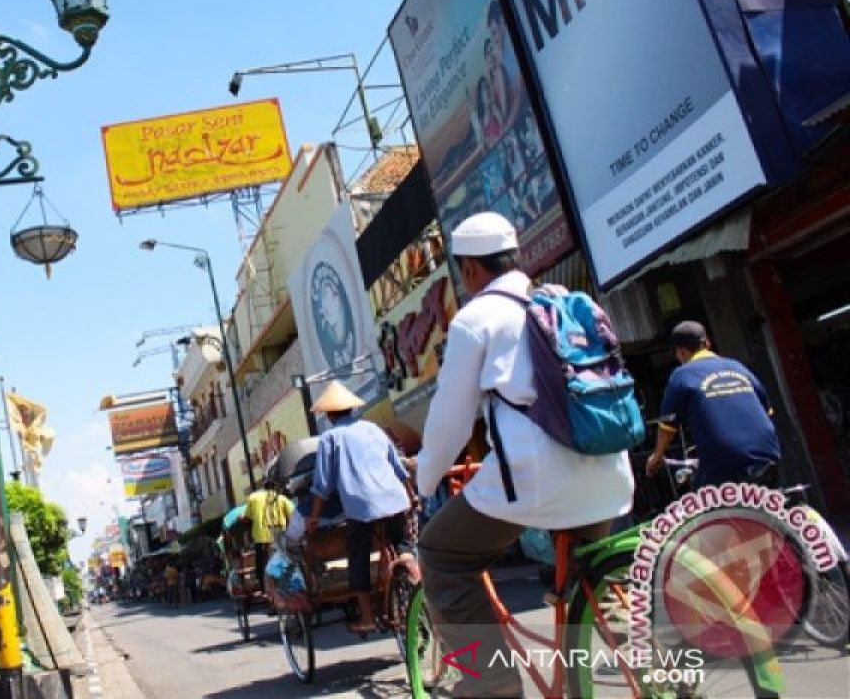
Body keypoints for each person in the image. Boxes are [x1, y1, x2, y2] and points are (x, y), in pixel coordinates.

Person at [416, 211, 634, 698]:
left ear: (469, 269)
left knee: (442, 555)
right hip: (612, 475)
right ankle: (648, 657)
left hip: (536, 482)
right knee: (585, 571)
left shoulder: (476, 320)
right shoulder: (560, 298)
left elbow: (450, 423)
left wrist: (424, 480)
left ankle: (491, 685)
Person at [305, 380, 415, 635]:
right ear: (351, 409)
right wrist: (412, 496)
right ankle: (411, 572)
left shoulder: (330, 438)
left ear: (329, 414)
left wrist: (314, 518)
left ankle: (366, 616)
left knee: (358, 557)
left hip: (361, 507)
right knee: (402, 544)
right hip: (395, 499)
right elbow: (398, 469)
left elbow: (322, 485)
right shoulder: (373, 429)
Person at [646, 320, 781, 487]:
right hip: (769, 456)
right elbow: (768, 412)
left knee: (702, 503)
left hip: (724, 463)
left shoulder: (681, 375)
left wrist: (656, 457)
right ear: (708, 343)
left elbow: (667, 427)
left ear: (680, 352)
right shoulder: (738, 367)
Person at [243, 480, 294, 590]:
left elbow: (246, 518)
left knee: (262, 566)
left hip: (261, 538)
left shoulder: (253, 498)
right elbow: (292, 514)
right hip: (280, 537)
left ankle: (264, 589)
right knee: (287, 561)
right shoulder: (281, 498)